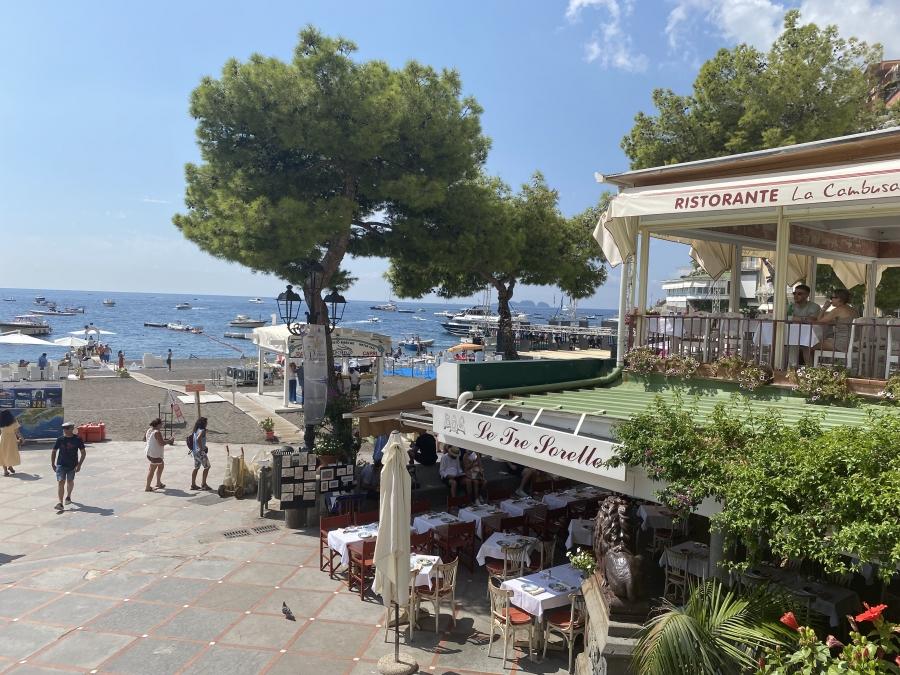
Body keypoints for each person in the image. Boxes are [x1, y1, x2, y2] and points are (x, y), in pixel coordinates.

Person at [815, 288, 860, 357]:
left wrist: (824, 308)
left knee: (808, 346)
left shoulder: (838, 310)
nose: (831, 300)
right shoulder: (853, 310)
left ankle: (810, 364)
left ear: (838, 299)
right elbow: (843, 321)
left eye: (832, 297)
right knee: (818, 344)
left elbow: (819, 322)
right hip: (855, 343)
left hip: (843, 343)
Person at [51, 421, 86, 510]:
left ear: (72, 428)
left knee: (70, 481)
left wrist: (79, 464)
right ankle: (60, 503)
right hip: (61, 464)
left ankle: (68, 496)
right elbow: (54, 451)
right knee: (61, 481)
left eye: (67, 428)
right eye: (64, 428)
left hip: (72, 464)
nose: (65, 430)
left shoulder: (77, 439)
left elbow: (83, 452)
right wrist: (53, 464)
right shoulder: (60, 439)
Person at [145, 418, 174, 491]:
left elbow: (144, 439)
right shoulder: (157, 432)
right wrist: (169, 441)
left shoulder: (149, 430)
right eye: (161, 424)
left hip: (149, 452)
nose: (162, 425)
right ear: (158, 425)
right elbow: (162, 443)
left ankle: (158, 482)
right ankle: (148, 487)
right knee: (151, 470)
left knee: (161, 465)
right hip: (155, 454)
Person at [189, 417, 212, 490]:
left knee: (196, 467)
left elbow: (197, 440)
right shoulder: (202, 431)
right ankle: (204, 484)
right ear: (204, 424)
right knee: (207, 467)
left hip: (195, 452)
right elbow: (198, 439)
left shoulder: (196, 430)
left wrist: (203, 446)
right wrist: (201, 447)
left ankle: (193, 484)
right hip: (200, 452)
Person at [0, 410, 24, 476]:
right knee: (10, 453)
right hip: (11, 439)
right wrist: (22, 438)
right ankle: (10, 466)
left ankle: (5, 471)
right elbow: (17, 432)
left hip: (3, 439)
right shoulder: (14, 422)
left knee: (3, 454)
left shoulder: (1, 421)